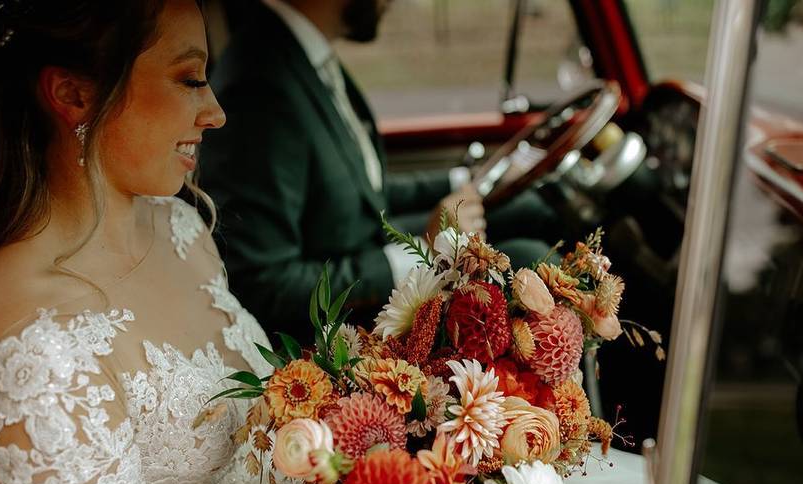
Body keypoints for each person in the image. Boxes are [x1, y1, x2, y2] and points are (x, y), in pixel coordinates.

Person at [0, 0, 271, 484]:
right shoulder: (30, 333)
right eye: (189, 79)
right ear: (74, 95)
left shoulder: (182, 230)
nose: (215, 113)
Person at [201, 0, 555, 337]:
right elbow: (265, 284)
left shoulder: (300, 53)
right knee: (529, 258)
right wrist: (426, 250)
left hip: (360, 240)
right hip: (342, 319)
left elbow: (363, 188)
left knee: (530, 208)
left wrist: (471, 180)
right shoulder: (259, 85)